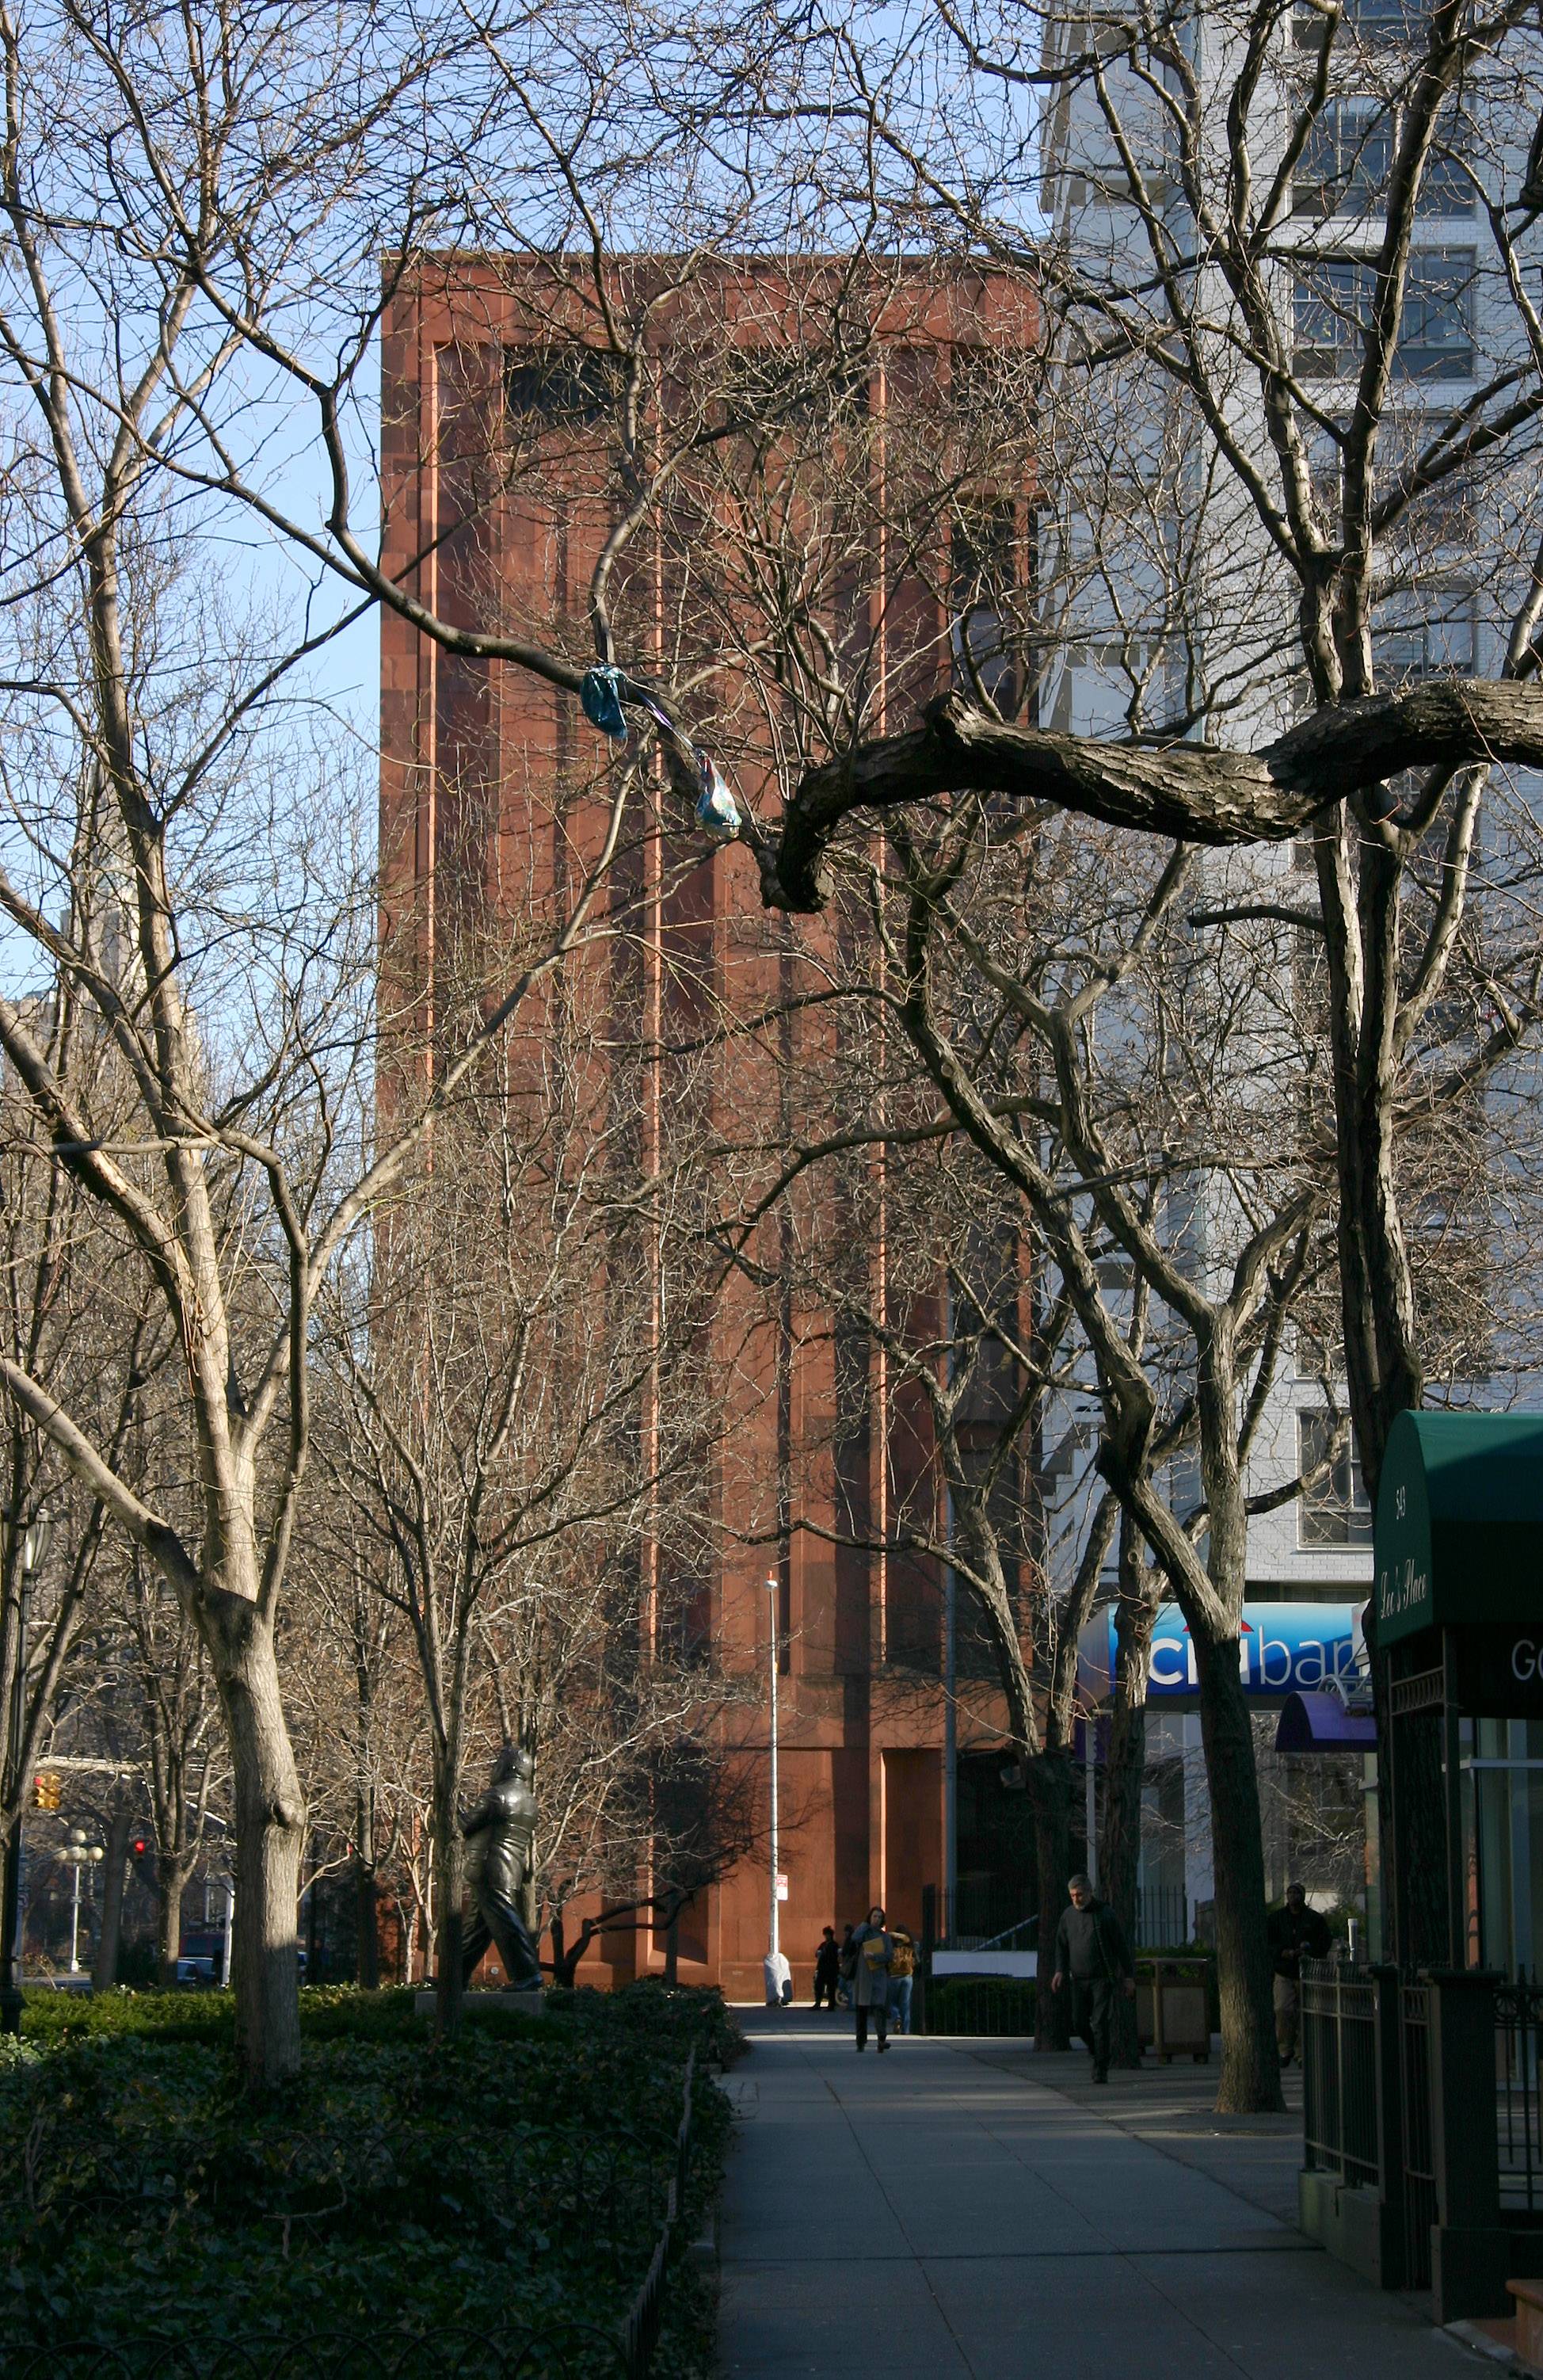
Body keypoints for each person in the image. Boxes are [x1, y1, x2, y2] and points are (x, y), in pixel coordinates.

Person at [1050, 1872, 1135, 2083]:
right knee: (1079, 2022)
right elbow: (1061, 1945)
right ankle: (1097, 2050)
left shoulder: (1105, 1914)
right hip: (1078, 1978)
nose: (1076, 1899)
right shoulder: (1068, 1916)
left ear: (1089, 1892)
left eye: (1079, 1895)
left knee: (1099, 2023)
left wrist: (1128, 1976)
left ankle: (1100, 2068)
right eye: (1072, 1896)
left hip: (1101, 1978)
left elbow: (1121, 1947)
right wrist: (1060, 1970)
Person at [1267, 1883, 1331, 2065]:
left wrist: (1310, 1951)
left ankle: (1302, 2052)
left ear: (1303, 1896)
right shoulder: (1277, 1919)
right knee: (1282, 2009)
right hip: (1284, 1971)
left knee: (1306, 2013)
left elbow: (1325, 1941)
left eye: (1297, 1893)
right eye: (1290, 1892)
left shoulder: (1314, 1919)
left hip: (1307, 1971)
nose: (1293, 1896)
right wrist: (1282, 1952)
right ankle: (1284, 2049)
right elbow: (1268, 1942)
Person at [851, 1905, 893, 2051]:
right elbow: (855, 1938)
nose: (877, 1919)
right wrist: (865, 1925)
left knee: (879, 2009)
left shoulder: (885, 1937)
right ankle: (860, 2042)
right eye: (874, 1916)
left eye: (879, 1917)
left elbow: (889, 1956)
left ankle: (881, 2040)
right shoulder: (865, 1933)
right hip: (864, 1977)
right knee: (861, 2010)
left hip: (879, 1976)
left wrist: (875, 1957)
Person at [888, 1925, 916, 2035]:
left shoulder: (892, 1947)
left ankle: (896, 2017)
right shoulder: (910, 1946)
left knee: (892, 2002)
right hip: (907, 1977)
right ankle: (906, 2030)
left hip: (894, 1977)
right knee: (905, 2004)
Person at [813, 1925, 841, 2009]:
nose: (826, 1936)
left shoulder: (835, 1945)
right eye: (825, 1935)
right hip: (822, 1969)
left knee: (831, 1987)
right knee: (819, 1986)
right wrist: (819, 1954)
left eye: (828, 1935)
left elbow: (837, 1956)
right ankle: (818, 2003)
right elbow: (817, 1954)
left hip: (831, 1969)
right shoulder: (823, 1944)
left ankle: (831, 2005)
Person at [763, 1944, 793, 2008]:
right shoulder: (776, 1959)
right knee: (776, 1979)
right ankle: (777, 1997)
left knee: (779, 1978)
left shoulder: (779, 1959)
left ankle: (779, 1997)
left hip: (777, 1960)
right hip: (775, 1960)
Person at [836, 1922, 857, 2009]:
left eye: (846, 1931)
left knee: (847, 1986)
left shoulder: (852, 1941)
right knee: (844, 1985)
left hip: (850, 1967)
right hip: (848, 1967)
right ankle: (851, 2003)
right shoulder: (849, 1940)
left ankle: (852, 2004)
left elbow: (848, 1952)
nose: (845, 1933)